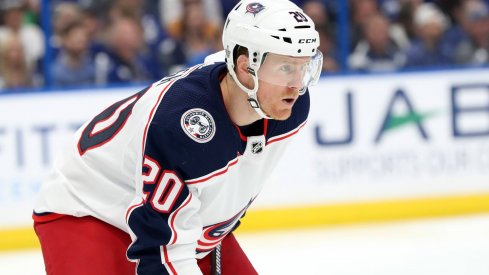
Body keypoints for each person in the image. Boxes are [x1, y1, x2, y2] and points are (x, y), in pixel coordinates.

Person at [32, 0, 323, 274]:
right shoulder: (182, 124)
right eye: (286, 67)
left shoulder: (290, 105)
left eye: (304, 66)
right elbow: (159, 252)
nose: (297, 86)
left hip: (170, 217)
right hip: (88, 208)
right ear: (246, 68)